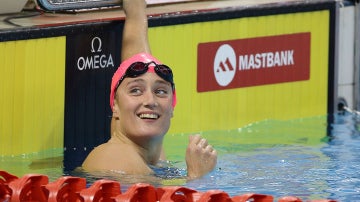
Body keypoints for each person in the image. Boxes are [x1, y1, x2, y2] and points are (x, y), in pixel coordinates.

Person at [82, 0, 217, 180]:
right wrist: (196, 178)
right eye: (136, 91)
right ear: (115, 106)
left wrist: (136, 14)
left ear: (172, 107)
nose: (150, 101)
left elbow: (136, 58)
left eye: (160, 91)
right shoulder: (119, 161)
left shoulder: (143, 144)